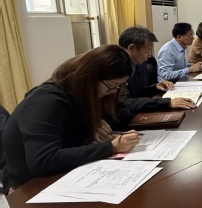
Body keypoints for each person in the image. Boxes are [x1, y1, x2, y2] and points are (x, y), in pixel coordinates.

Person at [3, 45, 140, 188]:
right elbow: (43, 160)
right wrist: (110, 147)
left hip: (67, 174)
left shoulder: (84, 93)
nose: (113, 91)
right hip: (31, 187)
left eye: (119, 86)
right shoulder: (47, 101)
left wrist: (97, 122)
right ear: (90, 77)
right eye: (112, 86)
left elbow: (123, 109)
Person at [117, 26, 196, 121]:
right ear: (132, 48)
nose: (149, 55)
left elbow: (139, 92)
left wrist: (155, 87)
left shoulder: (140, 63)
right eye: (147, 51)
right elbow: (125, 103)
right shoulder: (116, 68)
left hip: (140, 111)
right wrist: (167, 102)